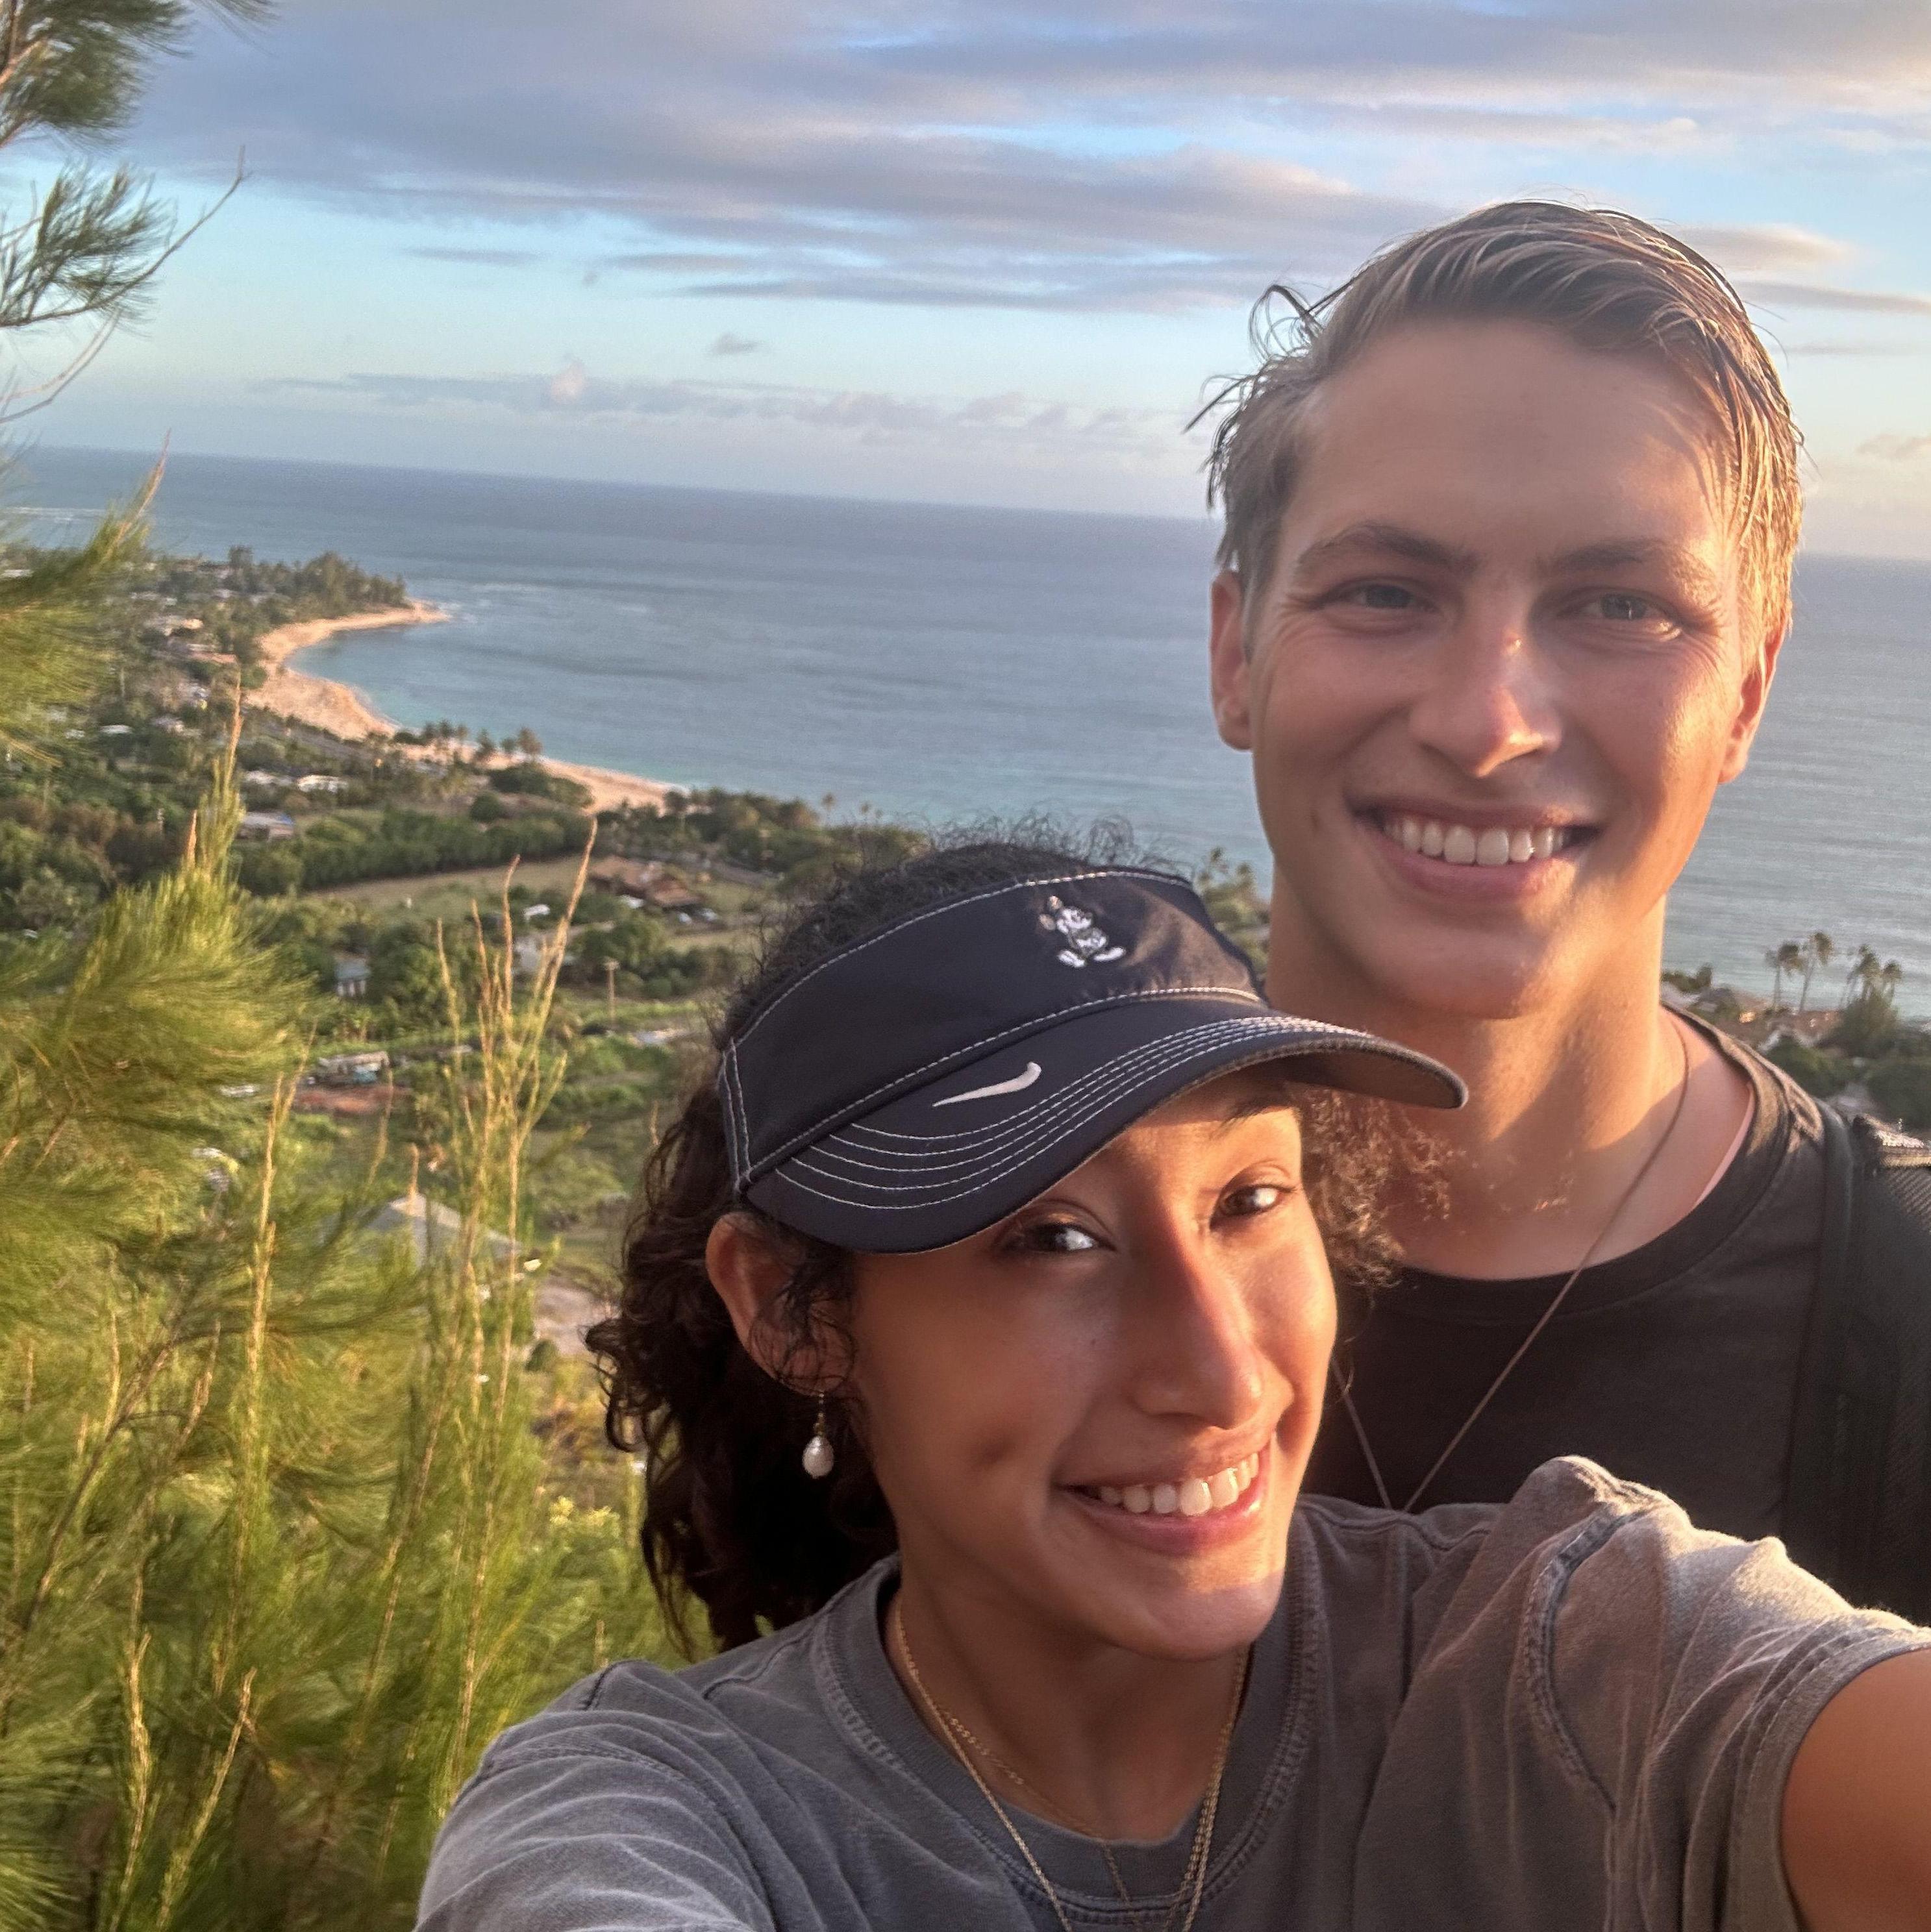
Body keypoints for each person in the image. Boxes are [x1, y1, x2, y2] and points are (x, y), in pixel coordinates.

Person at [418, 839, 1931, 1931]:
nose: (1219, 1372)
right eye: (1050, 1240)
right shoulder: (662, 1813)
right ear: (794, 1316)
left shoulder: (1561, 1660)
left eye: (1246, 1201)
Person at [1202, 201, 1931, 1616]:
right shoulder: (1000, 1230)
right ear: (1234, 652)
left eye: (1618, 607)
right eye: (1383, 590)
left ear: (1746, 692)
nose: (1485, 722)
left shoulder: (1893, 1322)